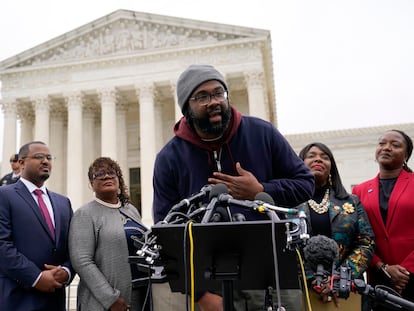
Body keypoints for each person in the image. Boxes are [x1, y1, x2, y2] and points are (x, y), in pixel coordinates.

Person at [152, 64, 315, 311]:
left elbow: (305, 184)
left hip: (272, 275)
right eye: (203, 97)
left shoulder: (262, 133)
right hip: (211, 283)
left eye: (219, 93)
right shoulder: (169, 157)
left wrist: (260, 189)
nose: (214, 102)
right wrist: (200, 294)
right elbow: (167, 231)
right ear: (187, 107)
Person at [296, 142, 375, 310]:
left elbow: (366, 242)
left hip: (346, 290)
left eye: (325, 157)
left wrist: (339, 278)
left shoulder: (351, 202)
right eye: (311, 156)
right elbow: (283, 244)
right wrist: (312, 278)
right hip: (301, 289)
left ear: (331, 167)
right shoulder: (289, 202)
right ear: (299, 163)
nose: (318, 159)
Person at [69, 157, 150, 311]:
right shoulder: (85, 214)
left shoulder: (130, 210)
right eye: (99, 174)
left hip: (141, 293)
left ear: (118, 179)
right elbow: (82, 261)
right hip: (107, 303)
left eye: (111, 172)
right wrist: (110, 298)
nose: (106, 176)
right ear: (91, 184)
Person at [0, 141, 74, 310]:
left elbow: (73, 246)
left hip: (55, 299)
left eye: (49, 157)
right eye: (39, 157)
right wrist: (36, 277)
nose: (45, 161)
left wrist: (67, 271)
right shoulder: (4, 195)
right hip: (17, 298)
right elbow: (2, 244)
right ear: (21, 163)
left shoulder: (63, 203)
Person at [352, 129, 414, 311]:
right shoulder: (359, 191)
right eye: (382, 143)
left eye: (395, 145)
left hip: (411, 276)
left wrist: (405, 270)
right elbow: (357, 235)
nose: (386, 148)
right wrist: (383, 267)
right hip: (379, 280)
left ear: (406, 155)